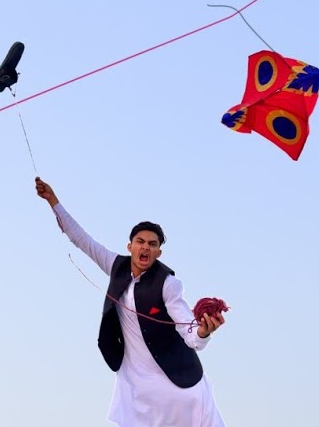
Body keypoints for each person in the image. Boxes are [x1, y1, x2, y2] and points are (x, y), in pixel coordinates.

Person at [35, 176, 227, 427]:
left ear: (158, 252)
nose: (145, 248)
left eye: (152, 244)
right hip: (136, 385)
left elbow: (187, 327)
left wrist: (202, 332)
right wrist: (53, 201)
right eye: (140, 242)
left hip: (178, 385)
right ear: (130, 246)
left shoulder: (168, 284)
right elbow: (81, 239)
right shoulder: (116, 266)